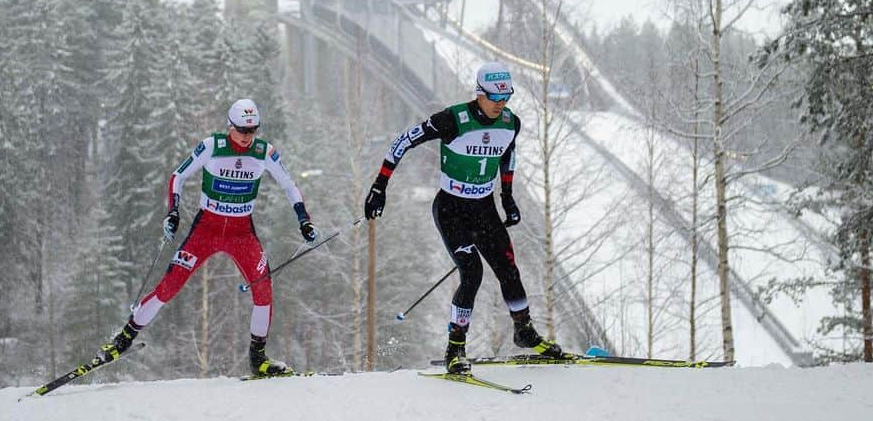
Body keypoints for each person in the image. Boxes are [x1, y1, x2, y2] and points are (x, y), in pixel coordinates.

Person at [363, 61, 564, 374]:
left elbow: (508, 155)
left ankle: (523, 331)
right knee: (472, 274)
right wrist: (380, 186)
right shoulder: (452, 119)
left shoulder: (511, 122)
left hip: (484, 208)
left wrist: (507, 198)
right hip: (451, 208)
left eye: (505, 97)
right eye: (494, 97)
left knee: (508, 269)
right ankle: (455, 349)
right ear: (479, 94)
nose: (500, 103)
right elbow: (401, 142)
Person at [100, 99, 317, 377]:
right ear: (230, 126)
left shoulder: (265, 152)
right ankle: (123, 339)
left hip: (241, 233)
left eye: (253, 130)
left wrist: (304, 220)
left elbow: (290, 185)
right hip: (207, 230)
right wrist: (173, 212)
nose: (247, 137)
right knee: (170, 285)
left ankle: (258, 358)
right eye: (241, 130)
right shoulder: (213, 146)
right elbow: (178, 176)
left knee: (263, 289)